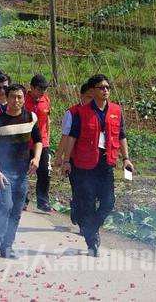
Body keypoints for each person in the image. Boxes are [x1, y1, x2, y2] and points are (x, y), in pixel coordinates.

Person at [65, 74, 134, 256]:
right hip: (85, 164)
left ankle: (91, 228)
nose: (105, 90)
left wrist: (126, 158)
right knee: (87, 203)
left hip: (106, 162)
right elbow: (72, 137)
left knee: (108, 202)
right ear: (93, 91)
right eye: (101, 87)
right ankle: (92, 241)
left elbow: (121, 135)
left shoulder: (116, 111)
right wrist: (66, 161)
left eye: (107, 87)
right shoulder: (81, 112)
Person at [0, 83, 42, 258]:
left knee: (16, 211)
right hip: (3, 173)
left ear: (24, 99)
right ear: (6, 98)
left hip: (22, 174)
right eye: (13, 97)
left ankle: (7, 246)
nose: (16, 100)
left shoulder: (30, 117)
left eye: (20, 97)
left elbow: (38, 140)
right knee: (5, 207)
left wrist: (36, 158)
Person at [54, 82, 93, 225]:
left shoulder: (101, 113)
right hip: (75, 159)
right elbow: (65, 136)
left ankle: (84, 217)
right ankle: (79, 214)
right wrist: (60, 158)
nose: (92, 101)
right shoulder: (72, 113)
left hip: (93, 160)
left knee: (91, 192)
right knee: (79, 189)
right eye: (89, 97)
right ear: (81, 96)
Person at [24, 74, 52, 212]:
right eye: (40, 89)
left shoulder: (46, 100)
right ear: (32, 87)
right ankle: (23, 199)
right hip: (24, 142)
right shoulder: (22, 99)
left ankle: (43, 201)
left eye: (44, 89)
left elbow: (48, 121)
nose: (42, 92)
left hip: (42, 143)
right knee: (23, 172)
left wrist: (48, 138)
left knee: (44, 172)